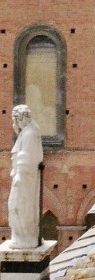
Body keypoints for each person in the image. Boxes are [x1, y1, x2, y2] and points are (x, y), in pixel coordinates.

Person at [8, 105, 43, 249]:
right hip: (23, 177)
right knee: (18, 207)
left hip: (23, 179)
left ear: (20, 118)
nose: (14, 123)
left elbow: (25, 157)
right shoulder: (29, 132)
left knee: (18, 206)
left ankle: (25, 239)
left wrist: (19, 176)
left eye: (15, 119)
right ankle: (21, 237)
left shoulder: (29, 134)